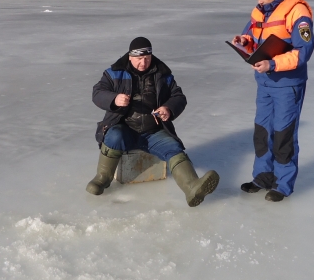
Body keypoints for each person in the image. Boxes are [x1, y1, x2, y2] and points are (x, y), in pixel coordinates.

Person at [87, 37, 220, 207]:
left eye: (147, 58)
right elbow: (97, 92)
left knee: (174, 147)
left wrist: (168, 108)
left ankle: (192, 187)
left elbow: (178, 96)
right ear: (130, 57)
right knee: (113, 135)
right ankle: (102, 179)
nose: (143, 63)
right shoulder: (115, 73)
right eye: (139, 59)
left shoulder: (162, 74)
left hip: (153, 131)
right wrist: (114, 99)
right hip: (125, 129)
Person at [231, 0, 314, 201]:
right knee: (262, 132)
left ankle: (282, 184)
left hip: (288, 84)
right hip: (265, 83)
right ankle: (263, 177)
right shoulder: (259, 10)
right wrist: (243, 41)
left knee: (283, 135)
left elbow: (303, 52)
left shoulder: (297, 11)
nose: (260, 0)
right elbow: (253, 37)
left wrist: (273, 64)